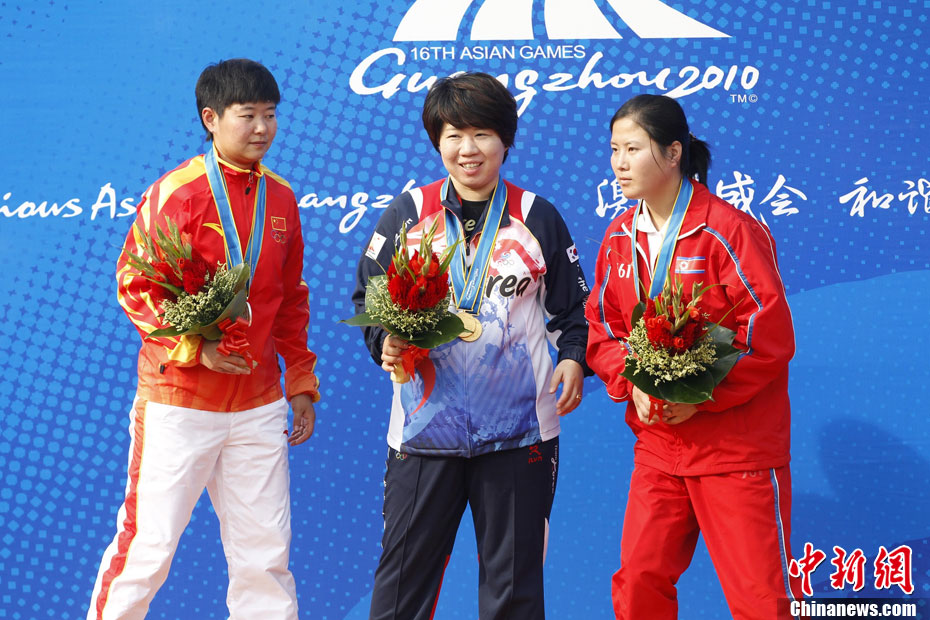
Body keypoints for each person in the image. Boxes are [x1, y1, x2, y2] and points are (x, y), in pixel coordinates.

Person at [87, 58, 320, 620]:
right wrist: (196, 347)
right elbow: (135, 284)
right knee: (147, 550)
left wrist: (300, 381)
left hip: (259, 403)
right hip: (181, 401)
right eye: (248, 115)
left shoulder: (281, 197)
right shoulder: (178, 192)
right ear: (211, 119)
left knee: (265, 558)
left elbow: (290, 299)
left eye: (271, 115)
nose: (262, 128)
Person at [352, 72, 589, 620]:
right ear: (437, 141)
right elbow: (371, 298)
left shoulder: (537, 216)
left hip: (519, 435)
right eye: (454, 135)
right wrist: (385, 341)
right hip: (422, 432)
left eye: (482, 133)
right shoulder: (407, 214)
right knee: (400, 589)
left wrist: (574, 359)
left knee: (514, 591)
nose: (468, 149)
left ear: (506, 140)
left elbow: (572, 314)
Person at [585, 94, 803, 619]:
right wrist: (633, 384)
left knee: (761, 600)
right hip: (660, 446)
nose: (619, 163)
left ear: (673, 152)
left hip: (736, 448)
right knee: (639, 583)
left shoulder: (728, 230)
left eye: (633, 149)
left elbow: (768, 337)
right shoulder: (619, 237)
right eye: (614, 149)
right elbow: (603, 328)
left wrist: (701, 397)